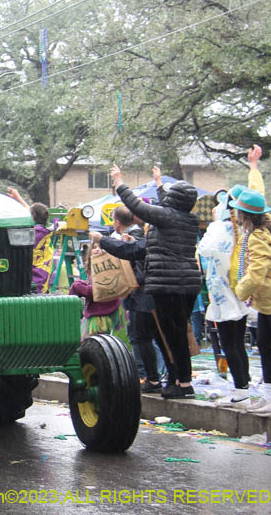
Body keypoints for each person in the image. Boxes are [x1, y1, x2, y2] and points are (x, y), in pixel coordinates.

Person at [111, 164, 201, 399]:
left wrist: (120, 183)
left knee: (172, 336)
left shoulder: (166, 217)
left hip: (167, 284)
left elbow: (137, 206)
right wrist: (159, 184)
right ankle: (177, 380)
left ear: (173, 200)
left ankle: (182, 384)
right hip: (188, 283)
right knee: (176, 333)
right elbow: (165, 207)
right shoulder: (189, 219)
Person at [197, 190, 259, 408]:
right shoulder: (245, 229)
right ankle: (244, 384)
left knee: (229, 344)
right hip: (240, 293)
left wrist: (213, 224)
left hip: (222, 296)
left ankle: (240, 391)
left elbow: (203, 249)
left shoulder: (218, 228)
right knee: (239, 343)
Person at [91, 206, 162, 392]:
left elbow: (137, 270)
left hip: (142, 297)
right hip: (145, 296)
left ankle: (151, 378)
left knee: (142, 338)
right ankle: (155, 377)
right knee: (146, 338)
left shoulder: (139, 238)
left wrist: (126, 287)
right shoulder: (140, 237)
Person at [232, 189, 271, 415]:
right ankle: (270, 396)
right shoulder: (268, 228)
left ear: (244, 214)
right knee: (263, 344)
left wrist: (239, 291)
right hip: (268, 301)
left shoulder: (257, 237)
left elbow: (257, 272)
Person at [5, 188, 53, 293]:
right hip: (42, 268)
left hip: (38, 270)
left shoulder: (33, 232)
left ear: (33, 216)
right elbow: (30, 211)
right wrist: (18, 197)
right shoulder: (43, 229)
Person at [70, 245, 122, 340]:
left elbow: (100, 290)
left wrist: (79, 287)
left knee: (99, 343)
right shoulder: (91, 268)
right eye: (94, 247)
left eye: (101, 247)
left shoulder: (109, 266)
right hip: (95, 310)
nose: (97, 249)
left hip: (103, 314)